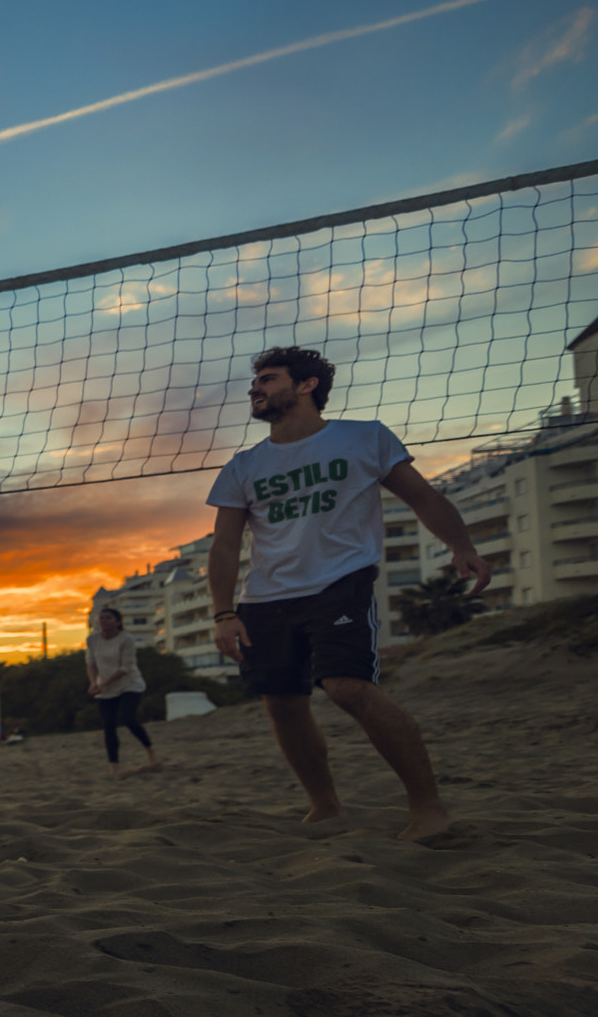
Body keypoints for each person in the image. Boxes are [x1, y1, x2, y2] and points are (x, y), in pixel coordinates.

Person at [206, 346, 489, 842]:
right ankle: (325, 807)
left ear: (307, 385)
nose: (256, 389)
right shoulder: (243, 466)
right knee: (283, 704)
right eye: (256, 383)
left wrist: (461, 547)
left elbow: (422, 496)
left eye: (268, 380)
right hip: (266, 596)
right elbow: (226, 543)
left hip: (340, 580)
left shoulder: (364, 437)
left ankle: (428, 807)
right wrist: (223, 612)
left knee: (347, 687)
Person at [86, 606, 158, 778]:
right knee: (109, 726)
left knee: (128, 719)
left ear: (118, 622)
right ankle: (114, 769)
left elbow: (125, 668)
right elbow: (91, 663)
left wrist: (102, 683)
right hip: (105, 689)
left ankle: (151, 752)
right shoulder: (93, 639)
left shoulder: (126, 639)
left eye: (109, 618)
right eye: (101, 618)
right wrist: (93, 683)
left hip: (129, 684)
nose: (104, 621)